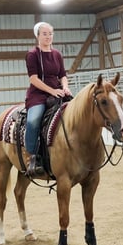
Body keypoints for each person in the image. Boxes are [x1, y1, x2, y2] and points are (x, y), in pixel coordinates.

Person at [24, 21, 71, 176]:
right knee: (33, 120)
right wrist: (52, 91)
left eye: (50, 33)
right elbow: (33, 79)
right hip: (38, 94)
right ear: (38, 36)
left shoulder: (57, 54)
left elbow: (63, 75)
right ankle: (33, 157)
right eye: (45, 34)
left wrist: (65, 87)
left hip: (58, 91)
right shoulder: (32, 55)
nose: (48, 36)